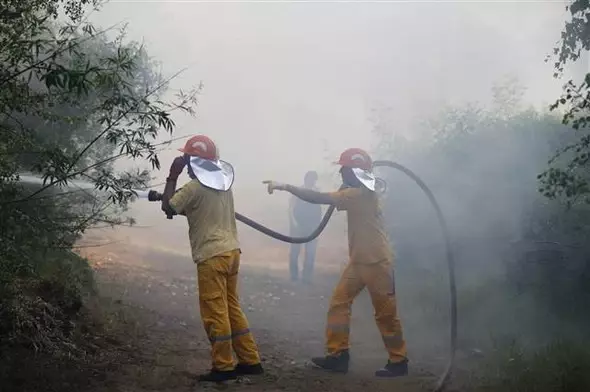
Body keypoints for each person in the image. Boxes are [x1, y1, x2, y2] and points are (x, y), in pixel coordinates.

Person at [263, 148, 408, 378]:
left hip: (378, 263)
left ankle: (398, 360)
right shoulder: (357, 192)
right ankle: (338, 355)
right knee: (339, 304)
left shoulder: (357, 195)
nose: (341, 171)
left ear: (355, 172)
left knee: (386, 314)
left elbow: (318, 198)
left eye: (345, 168)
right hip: (359, 262)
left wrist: (285, 186)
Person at [161, 134, 264, 383]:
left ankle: (223, 366)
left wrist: (172, 176)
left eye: (186, 158)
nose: (184, 162)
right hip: (232, 253)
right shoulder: (224, 186)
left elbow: (169, 207)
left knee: (215, 311)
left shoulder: (193, 188)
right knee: (232, 307)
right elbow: (190, 209)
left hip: (211, 256)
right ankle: (250, 360)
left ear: (192, 162)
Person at [289, 170, 322, 284]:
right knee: (295, 251)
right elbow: (291, 208)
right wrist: (294, 223)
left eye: (313, 180)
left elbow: (319, 211)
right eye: (310, 179)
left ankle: (307, 277)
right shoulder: (298, 191)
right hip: (298, 225)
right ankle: (294, 276)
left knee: (311, 252)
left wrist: (318, 227)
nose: (312, 182)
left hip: (312, 226)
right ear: (306, 179)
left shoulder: (317, 192)